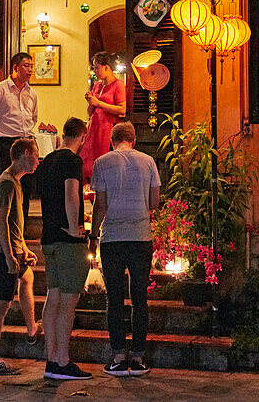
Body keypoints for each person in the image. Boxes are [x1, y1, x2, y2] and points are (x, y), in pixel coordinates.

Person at [90, 121, 160, 377]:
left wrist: (93, 235)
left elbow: (100, 204)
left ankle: (119, 356)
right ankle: (139, 356)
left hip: (112, 238)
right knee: (139, 297)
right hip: (141, 236)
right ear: (134, 140)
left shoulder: (102, 162)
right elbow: (154, 201)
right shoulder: (148, 161)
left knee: (115, 298)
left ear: (112, 140)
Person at [37, 117, 92, 381]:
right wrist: (73, 226)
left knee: (53, 296)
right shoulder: (73, 161)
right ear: (82, 136)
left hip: (48, 237)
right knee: (69, 301)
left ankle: (51, 358)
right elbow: (72, 193)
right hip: (67, 240)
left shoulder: (47, 160)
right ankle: (63, 361)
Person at [0, 137, 43, 376]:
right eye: (37, 156)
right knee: (1, 304)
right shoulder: (7, 183)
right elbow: (1, 222)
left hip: (11, 249)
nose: (38, 161)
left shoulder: (16, 182)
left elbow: (14, 224)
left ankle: (31, 330)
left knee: (27, 278)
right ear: (26, 153)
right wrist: (10, 255)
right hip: (0, 250)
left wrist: (24, 248)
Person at [0, 52, 38, 223]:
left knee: (26, 186)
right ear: (15, 68)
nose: (29, 70)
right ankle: (2, 226)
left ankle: (23, 226)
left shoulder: (32, 93)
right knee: (6, 186)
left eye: (31, 66)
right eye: (25, 66)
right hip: (6, 143)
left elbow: (34, 118)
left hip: (27, 142)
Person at [80, 52, 127, 181]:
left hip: (108, 128)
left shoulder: (118, 85)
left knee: (105, 163)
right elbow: (91, 112)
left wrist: (99, 102)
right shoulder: (97, 85)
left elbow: (122, 109)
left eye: (97, 67)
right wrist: (90, 102)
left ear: (107, 67)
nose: (95, 71)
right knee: (90, 162)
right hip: (94, 128)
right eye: (94, 68)